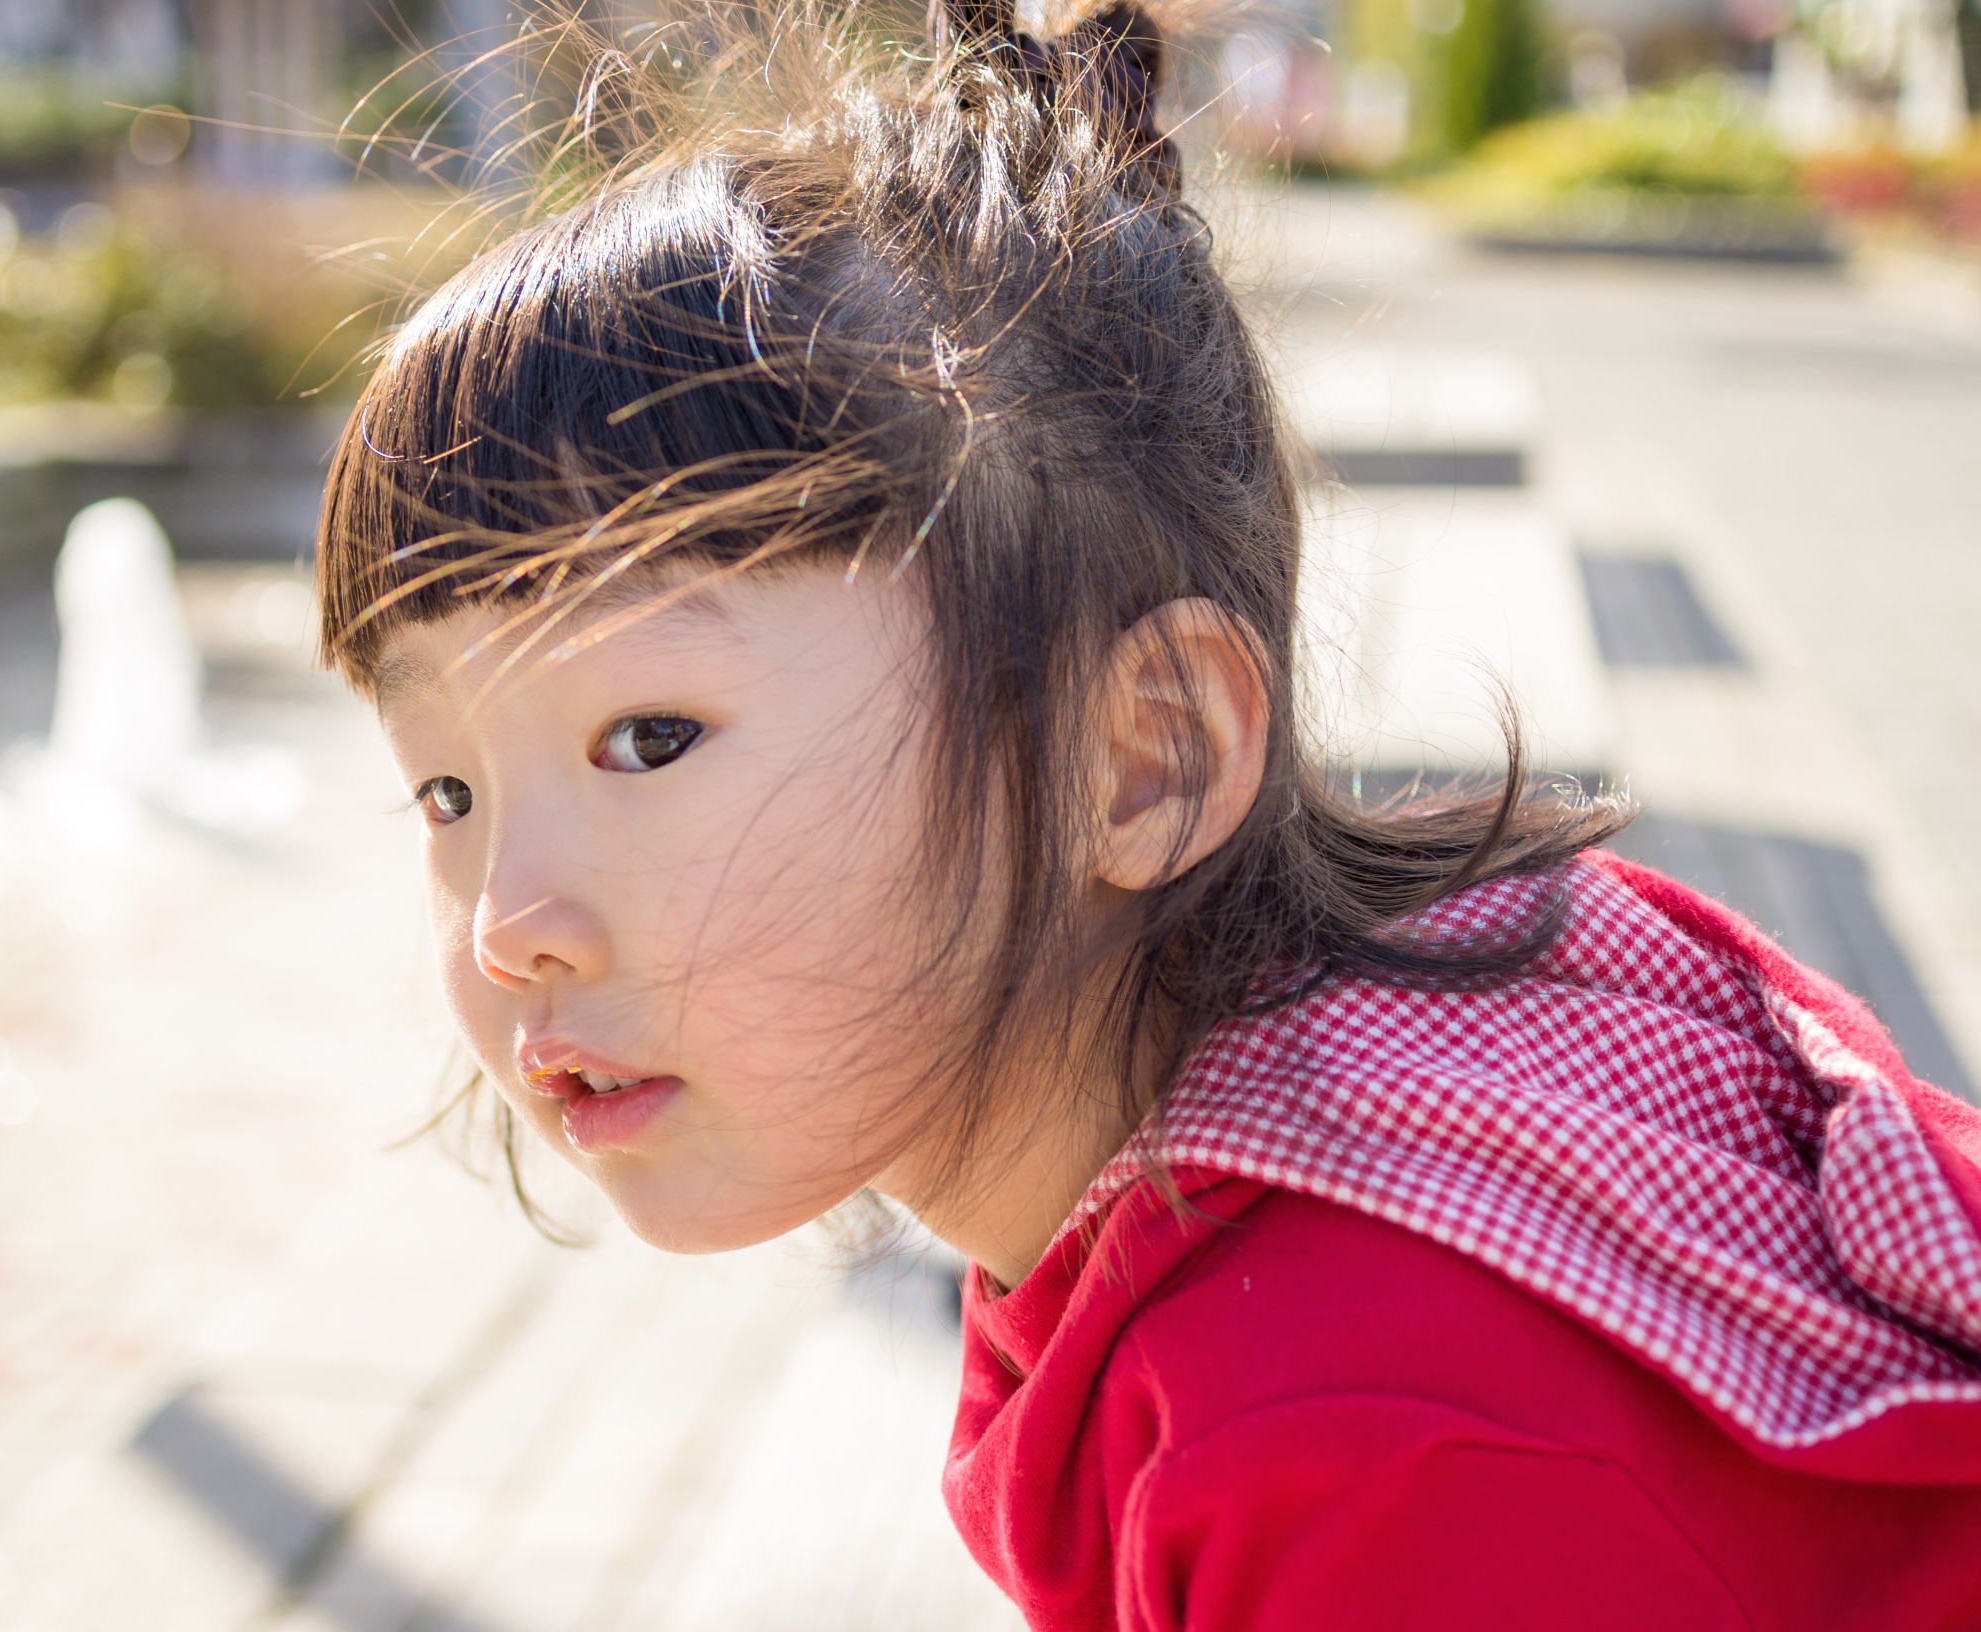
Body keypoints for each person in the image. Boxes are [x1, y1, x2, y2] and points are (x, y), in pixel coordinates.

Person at [313, 1, 1981, 1623]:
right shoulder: (1271, 1157)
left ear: (1145, 759)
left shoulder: (1364, 1435)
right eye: (445, 789)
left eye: (650, 736)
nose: (503, 919)